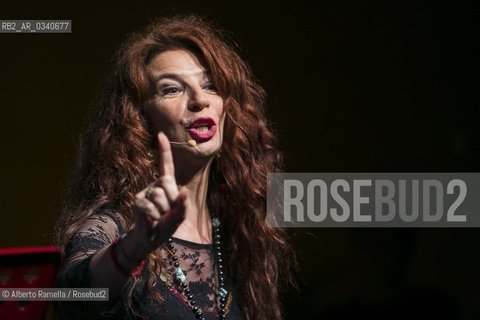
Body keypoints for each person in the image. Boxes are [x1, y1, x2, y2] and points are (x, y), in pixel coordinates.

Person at [55, 14, 292, 320]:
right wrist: (134, 245)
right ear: (140, 120)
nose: (198, 99)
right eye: (171, 90)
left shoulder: (239, 230)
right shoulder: (119, 223)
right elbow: (71, 296)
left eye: (210, 86)